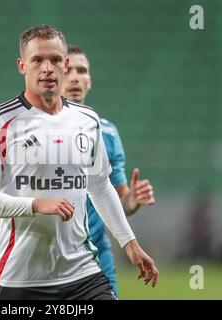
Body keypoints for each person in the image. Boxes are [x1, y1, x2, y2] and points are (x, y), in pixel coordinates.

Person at [0, 24, 158, 300]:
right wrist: (36, 205)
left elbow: (100, 187)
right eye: (37, 60)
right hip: (21, 279)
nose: (47, 68)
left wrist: (130, 243)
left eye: (55, 60)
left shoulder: (87, 120)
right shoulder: (1, 121)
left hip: (83, 274)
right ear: (22, 66)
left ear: (64, 64)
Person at [61, 44, 156, 297]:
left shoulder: (107, 133)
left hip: (96, 256)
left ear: (89, 81)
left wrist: (132, 200)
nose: (75, 77)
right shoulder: (34, 130)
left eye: (82, 71)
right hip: (50, 257)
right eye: (68, 70)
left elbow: (117, 200)